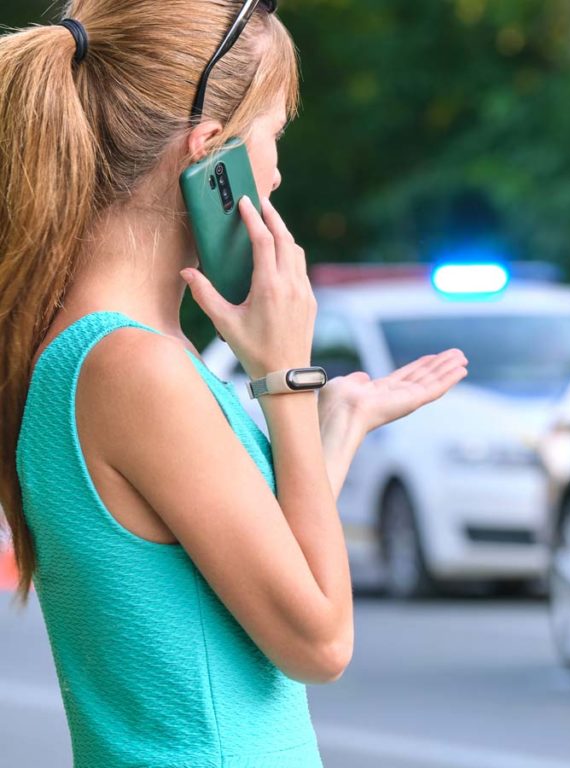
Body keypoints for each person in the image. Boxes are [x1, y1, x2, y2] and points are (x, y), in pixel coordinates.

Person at [0, 2, 467, 765]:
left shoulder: (107, 354)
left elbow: (250, 559)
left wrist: (331, 427)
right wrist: (284, 378)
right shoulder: (133, 368)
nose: (278, 172)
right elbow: (319, 642)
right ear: (209, 157)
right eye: (273, 137)